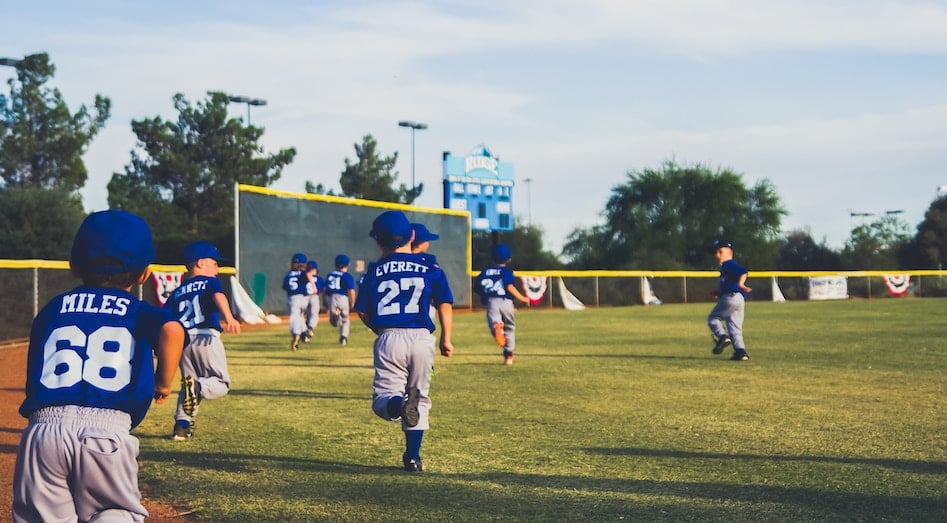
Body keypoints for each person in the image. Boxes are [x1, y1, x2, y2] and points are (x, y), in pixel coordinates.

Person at [13, 209, 186, 522]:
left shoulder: (52, 310)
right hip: (108, 430)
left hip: (44, 429)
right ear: (145, 273)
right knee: (115, 511)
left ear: (73, 266)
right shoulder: (138, 309)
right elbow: (173, 330)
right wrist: (163, 383)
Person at [355, 210, 454, 473]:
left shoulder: (375, 271)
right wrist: (446, 338)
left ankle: (399, 404)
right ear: (412, 235)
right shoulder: (431, 267)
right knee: (419, 398)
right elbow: (444, 303)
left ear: (378, 242)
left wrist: (381, 331)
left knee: (384, 400)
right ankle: (413, 457)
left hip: (390, 337)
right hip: (423, 339)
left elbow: (362, 310)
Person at [164, 241, 241, 440]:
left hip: (183, 342)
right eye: (215, 263)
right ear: (200, 263)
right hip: (206, 338)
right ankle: (198, 387)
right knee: (219, 383)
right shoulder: (210, 282)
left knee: (187, 385)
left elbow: (164, 317)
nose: (217, 269)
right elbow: (218, 296)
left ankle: (181, 426)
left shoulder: (178, 291)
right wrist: (229, 317)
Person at [476, 243, 531, 365]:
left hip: (492, 302)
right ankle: (508, 357)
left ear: (492, 258)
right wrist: (522, 298)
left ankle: (497, 327)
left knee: (495, 323)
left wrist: (483, 297)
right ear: (509, 259)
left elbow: (478, 287)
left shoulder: (484, 272)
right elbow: (509, 286)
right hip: (506, 302)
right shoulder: (507, 271)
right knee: (510, 328)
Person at [708, 239, 752, 361]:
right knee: (735, 327)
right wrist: (719, 292)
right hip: (738, 298)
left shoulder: (728, 264)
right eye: (716, 252)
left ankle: (722, 337)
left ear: (729, 253)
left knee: (713, 319)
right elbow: (729, 283)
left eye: (720, 252)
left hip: (731, 298)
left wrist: (742, 284)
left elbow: (742, 272)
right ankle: (740, 352)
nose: (717, 255)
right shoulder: (725, 267)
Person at [283, 252, 313, 351]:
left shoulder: (289, 275)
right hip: (305, 299)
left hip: (294, 298)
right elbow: (308, 275)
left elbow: (286, 287)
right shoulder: (304, 273)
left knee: (295, 318)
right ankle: (304, 333)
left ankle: (296, 334)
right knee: (300, 316)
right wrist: (313, 285)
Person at [327, 253, 356, 345]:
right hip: (343, 298)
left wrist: (324, 300)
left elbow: (324, 290)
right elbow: (351, 290)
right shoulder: (347, 276)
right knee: (345, 319)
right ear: (348, 264)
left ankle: (336, 317)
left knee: (333, 322)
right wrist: (352, 302)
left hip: (332, 297)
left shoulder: (330, 275)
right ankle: (343, 337)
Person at [304, 259, 325, 342]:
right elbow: (321, 290)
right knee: (314, 314)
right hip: (314, 297)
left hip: (303, 297)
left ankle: (304, 331)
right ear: (316, 269)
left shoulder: (303, 278)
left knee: (303, 315)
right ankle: (310, 328)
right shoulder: (319, 279)